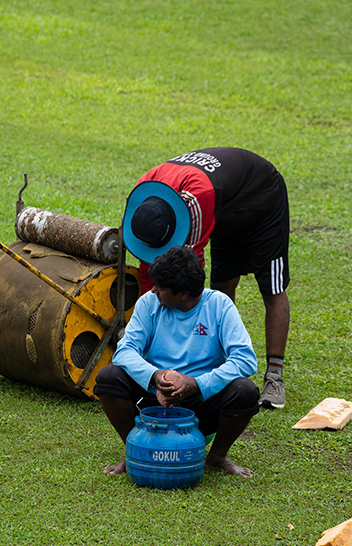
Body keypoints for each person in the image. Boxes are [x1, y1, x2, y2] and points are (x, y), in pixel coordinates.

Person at [122, 147, 291, 409]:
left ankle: (274, 377)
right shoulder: (145, 194)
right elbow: (150, 266)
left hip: (261, 199)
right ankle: (219, 363)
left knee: (271, 287)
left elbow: (192, 273)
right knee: (222, 283)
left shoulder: (196, 199)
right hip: (226, 204)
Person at [95, 246, 260, 477]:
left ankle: (217, 457)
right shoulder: (148, 303)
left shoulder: (219, 305)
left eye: (161, 288)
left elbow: (245, 360)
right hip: (153, 398)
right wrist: (155, 376)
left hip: (201, 400)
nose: (153, 290)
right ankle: (135, 450)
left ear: (183, 293)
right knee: (109, 378)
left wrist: (197, 384)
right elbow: (124, 351)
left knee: (246, 391)